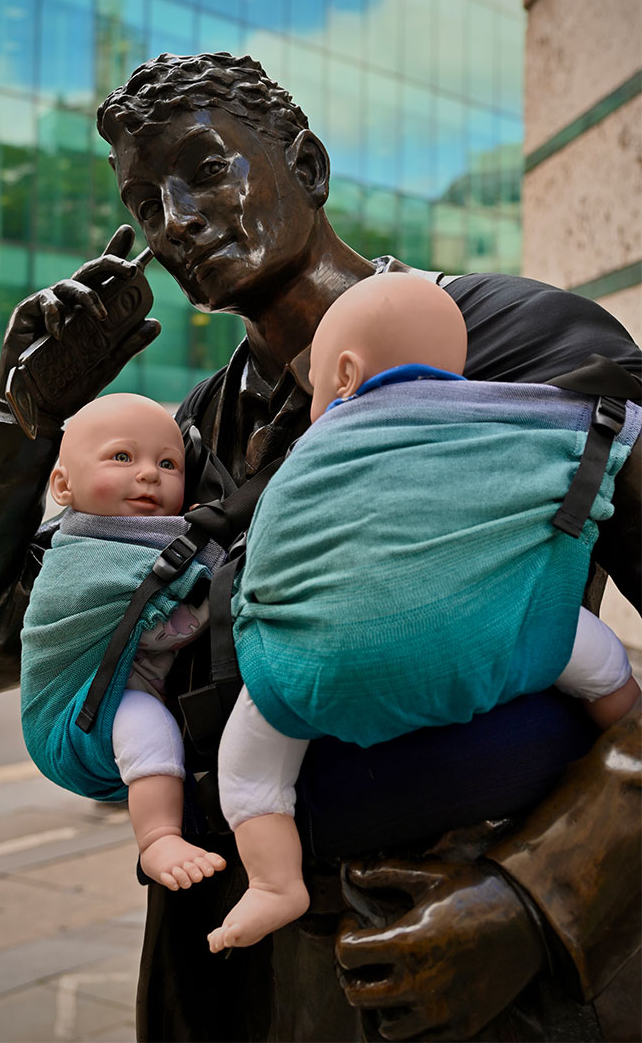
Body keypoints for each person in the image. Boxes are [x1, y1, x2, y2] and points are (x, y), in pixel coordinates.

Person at [0, 53, 641, 1041]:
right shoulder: (174, 444)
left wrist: (538, 895)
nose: (175, 222)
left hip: (455, 961)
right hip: (221, 967)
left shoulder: (518, 344)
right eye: (145, 205)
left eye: (206, 171)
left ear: (308, 167)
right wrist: (26, 427)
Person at [209, 273, 639, 953]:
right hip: (508, 636)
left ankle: (272, 882)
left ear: (345, 375)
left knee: (251, 763)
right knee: (597, 657)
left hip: (321, 675)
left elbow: (265, 566)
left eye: (314, 386)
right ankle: (622, 715)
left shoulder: (309, 458)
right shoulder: (507, 423)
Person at [20, 393, 227, 891]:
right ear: (63, 486)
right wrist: (219, 591)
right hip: (75, 717)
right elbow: (157, 623)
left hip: (118, 690)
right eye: (122, 456)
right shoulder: (84, 554)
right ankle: (158, 838)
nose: (150, 474)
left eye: (168, 464)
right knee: (146, 725)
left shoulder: (151, 536)